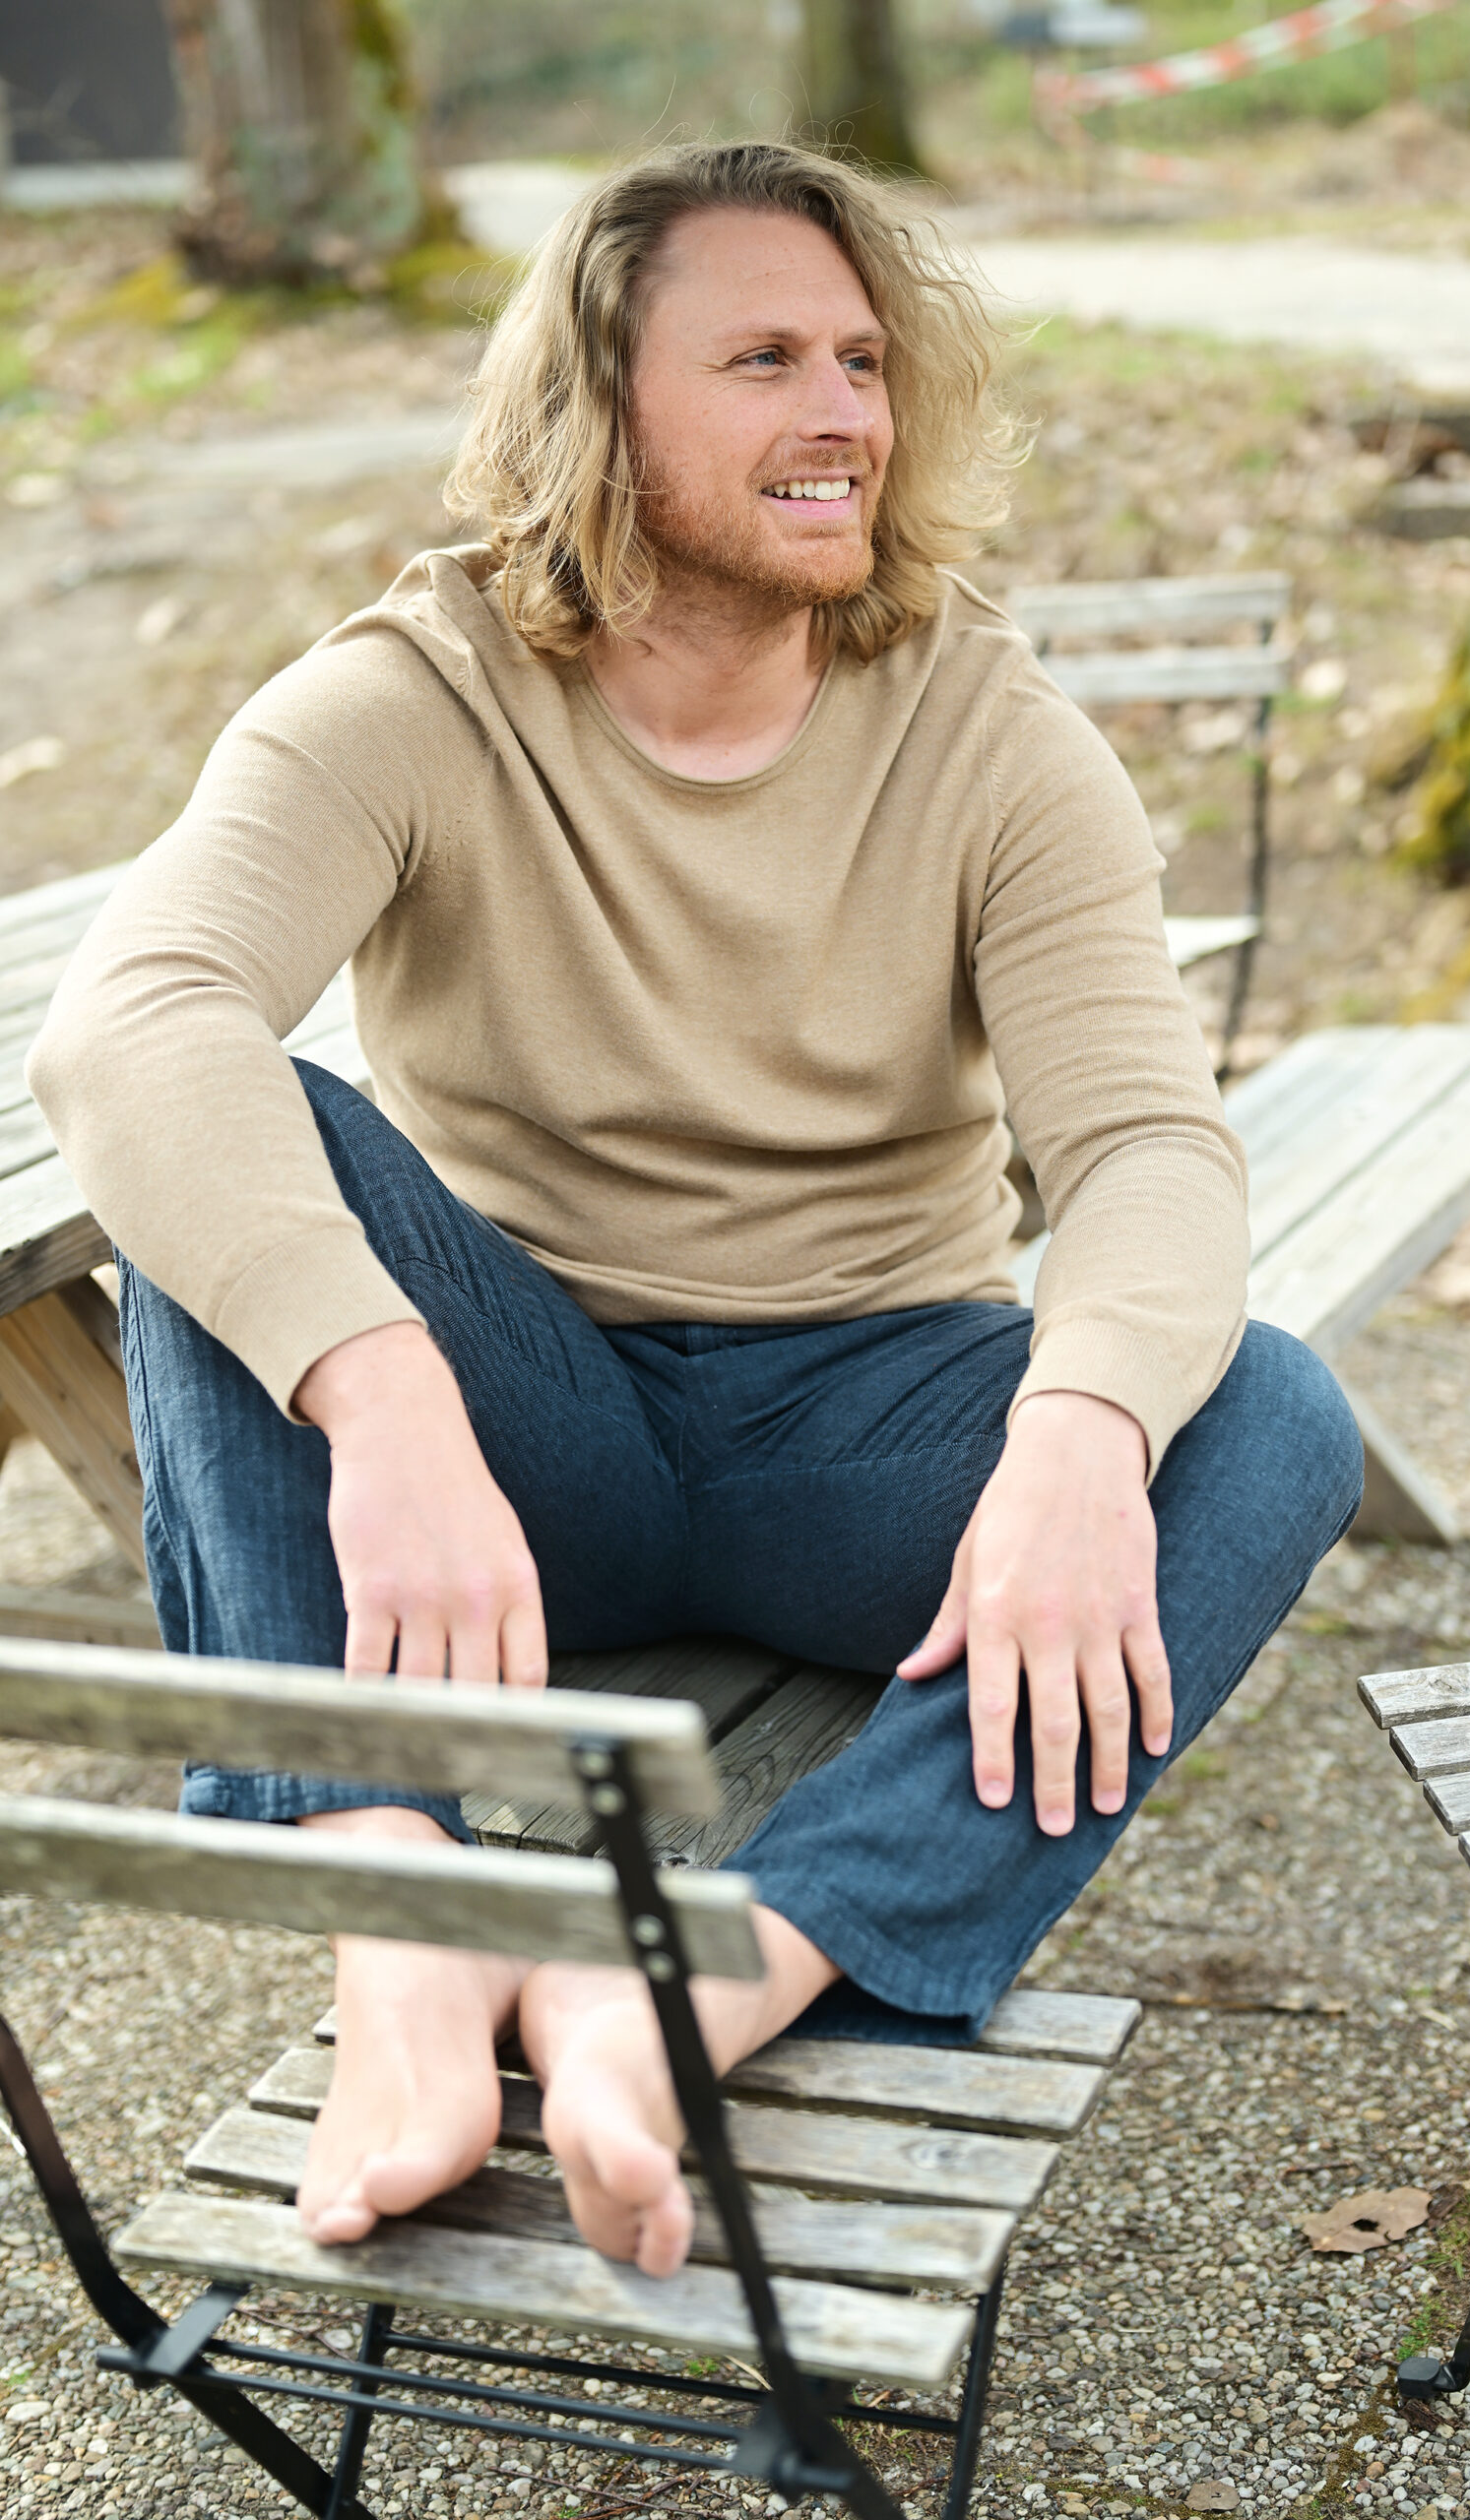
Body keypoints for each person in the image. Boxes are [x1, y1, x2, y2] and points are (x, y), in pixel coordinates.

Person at [29, 140, 1362, 2283]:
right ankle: (408, 1942)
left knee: (1265, 1417)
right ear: (598, 404)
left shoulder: (992, 731)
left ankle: (705, 1983)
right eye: (763, 360)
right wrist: (385, 1397)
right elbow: (134, 1020)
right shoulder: (418, 689)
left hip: (867, 1425)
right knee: (229, 1166)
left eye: (862, 361)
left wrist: (1077, 1435)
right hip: (521, 1423)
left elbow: (1143, 1148)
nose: (842, 412)